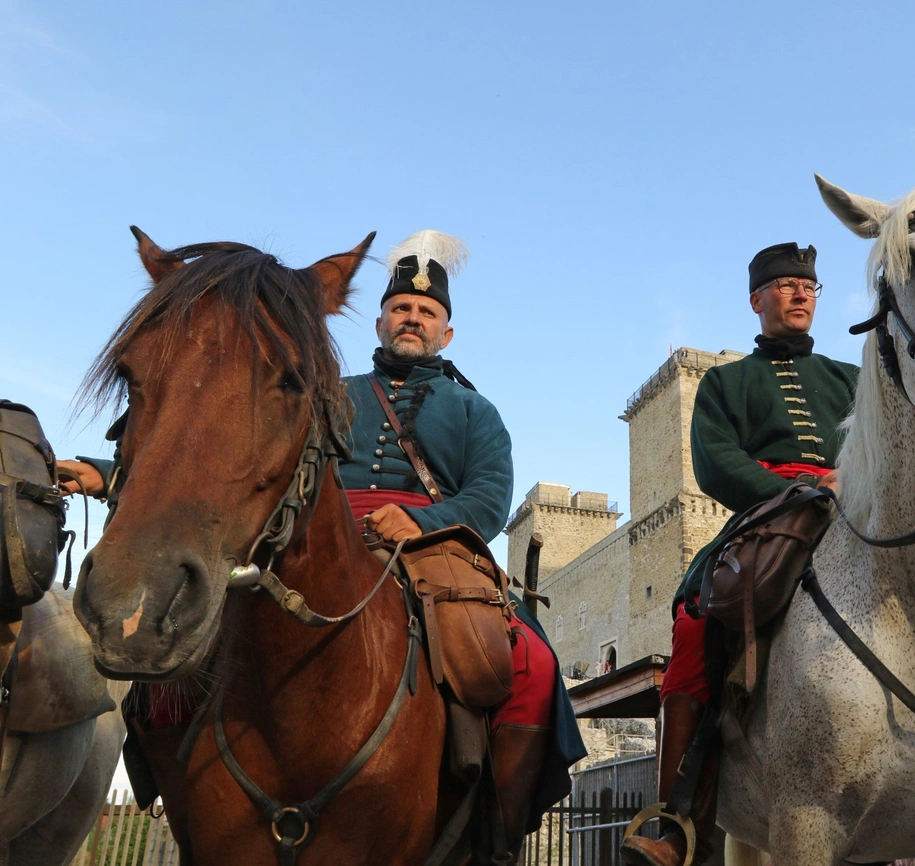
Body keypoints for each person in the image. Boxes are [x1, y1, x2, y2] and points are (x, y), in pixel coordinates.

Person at [59, 229, 586, 862]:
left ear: (446, 332)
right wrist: (110, 471)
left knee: (530, 664)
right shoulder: (325, 387)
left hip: (436, 543)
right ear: (381, 319)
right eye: (401, 308)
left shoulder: (476, 412)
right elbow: (231, 455)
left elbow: (489, 498)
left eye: (427, 312)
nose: (412, 318)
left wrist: (423, 521)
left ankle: (496, 836)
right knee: (169, 660)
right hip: (313, 531)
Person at [623, 242, 858, 866]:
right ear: (757, 301)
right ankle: (674, 815)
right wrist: (798, 490)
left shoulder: (852, 379)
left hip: (861, 512)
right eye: (784, 286)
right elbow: (716, 462)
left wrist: (855, 483)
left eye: (808, 286)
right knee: (698, 620)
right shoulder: (727, 382)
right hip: (771, 519)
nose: (799, 294)